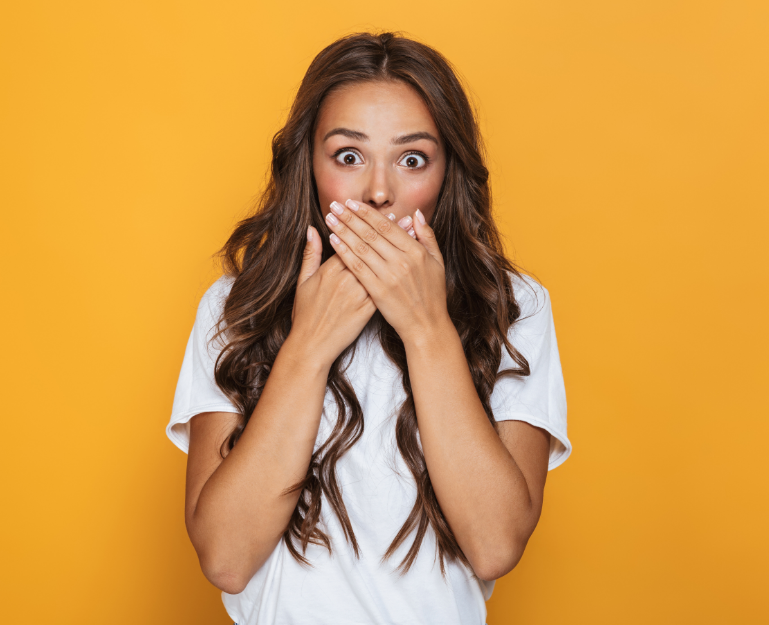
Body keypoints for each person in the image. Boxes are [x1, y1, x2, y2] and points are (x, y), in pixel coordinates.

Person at [166, 31, 572, 625]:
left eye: (412, 159)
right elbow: (226, 558)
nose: (379, 192)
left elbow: (495, 545)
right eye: (349, 156)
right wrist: (309, 346)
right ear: (309, 165)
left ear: (448, 173)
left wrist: (427, 330)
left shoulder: (513, 306)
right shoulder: (236, 305)